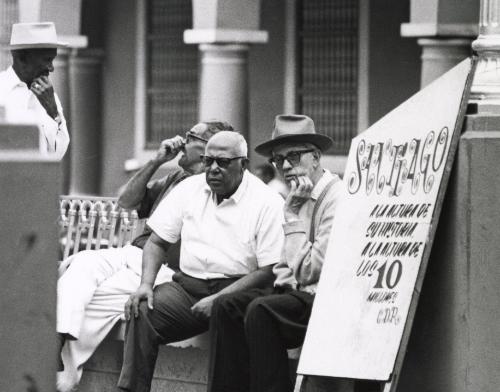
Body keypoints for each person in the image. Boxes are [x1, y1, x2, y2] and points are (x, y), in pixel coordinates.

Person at [56, 120, 234, 392]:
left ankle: (63, 377)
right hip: (131, 252)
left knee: (97, 297)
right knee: (82, 263)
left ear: (208, 148)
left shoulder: (213, 189)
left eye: (191, 136)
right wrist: (156, 161)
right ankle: (56, 343)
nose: (181, 140)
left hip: (159, 267)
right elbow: (125, 202)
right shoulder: (175, 177)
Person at [117, 131, 285, 392]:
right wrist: (146, 284)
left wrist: (219, 299)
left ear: (243, 163)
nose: (214, 169)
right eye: (208, 161)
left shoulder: (267, 202)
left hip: (239, 294)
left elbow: (268, 271)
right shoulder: (190, 188)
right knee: (141, 309)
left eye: (223, 162)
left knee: (228, 322)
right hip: (187, 290)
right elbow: (157, 241)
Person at [207, 114, 343, 392]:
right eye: (278, 160)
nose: (285, 167)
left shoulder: (336, 197)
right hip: (293, 293)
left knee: (261, 311)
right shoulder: (297, 194)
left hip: (324, 298)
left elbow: (310, 270)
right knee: (227, 307)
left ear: (315, 157)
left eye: (293, 157)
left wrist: (291, 216)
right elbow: (284, 267)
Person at [0, 22, 70, 159]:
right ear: (22, 58)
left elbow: (58, 154)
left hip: (38, 178)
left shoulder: (50, 97)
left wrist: (53, 112)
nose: (51, 68)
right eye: (47, 60)